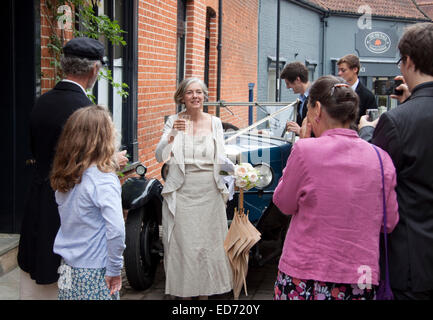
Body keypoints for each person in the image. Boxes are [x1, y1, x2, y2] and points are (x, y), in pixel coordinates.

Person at [17, 37, 128, 299]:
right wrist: (112, 162)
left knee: (37, 279)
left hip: (41, 198)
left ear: (64, 64)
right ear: (94, 70)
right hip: (73, 212)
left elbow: (41, 152)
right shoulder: (86, 112)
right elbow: (82, 164)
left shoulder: (41, 102)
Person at [272, 75, 399, 300]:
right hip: (360, 276)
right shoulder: (381, 158)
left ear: (317, 109)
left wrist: (300, 145)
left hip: (306, 273)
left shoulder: (305, 151)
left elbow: (283, 202)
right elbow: (388, 223)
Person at [358, 22, 433, 300]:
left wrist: (367, 130)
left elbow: (371, 175)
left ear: (409, 61)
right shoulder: (402, 116)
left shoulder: (395, 121)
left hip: (412, 265)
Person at [155, 77, 232, 299]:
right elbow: (160, 155)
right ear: (182, 97)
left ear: (204, 96)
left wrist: (237, 174)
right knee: (184, 247)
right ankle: (185, 296)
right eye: (190, 92)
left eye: (199, 92)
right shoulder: (173, 121)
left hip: (210, 192)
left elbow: (222, 158)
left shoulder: (215, 122)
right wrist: (173, 134)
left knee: (208, 247)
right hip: (182, 192)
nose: (195, 96)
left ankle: (205, 296)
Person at [50, 105, 125, 300]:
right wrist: (115, 268)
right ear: (104, 138)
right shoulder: (103, 179)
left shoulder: (67, 174)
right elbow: (116, 230)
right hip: (94, 270)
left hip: (67, 267)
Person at [337, 54, 378, 124]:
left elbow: (372, 124)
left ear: (355, 69)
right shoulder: (336, 92)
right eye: (339, 70)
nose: (339, 73)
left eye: (343, 70)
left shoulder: (368, 96)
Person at [280, 62, 311, 136]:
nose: (287, 87)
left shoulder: (317, 97)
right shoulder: (301, 101)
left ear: (298, 80)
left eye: (288, 83)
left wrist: (300, 131)